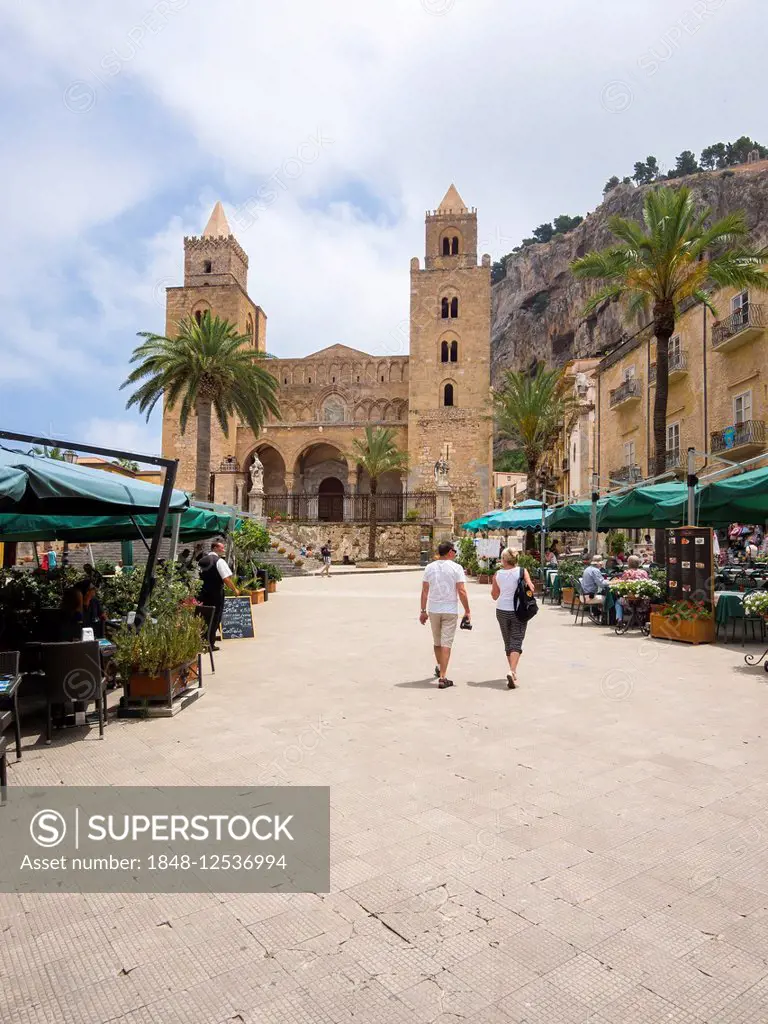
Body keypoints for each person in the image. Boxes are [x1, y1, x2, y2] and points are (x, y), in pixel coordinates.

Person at [419, 541, 470, 689]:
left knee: (437, 642)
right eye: (453, 550)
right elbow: (461, 591)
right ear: (449, 552)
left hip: (434, 609)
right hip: (450, 610)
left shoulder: (429, 567)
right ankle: (443, 676)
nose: (455, 553)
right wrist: (467, 610)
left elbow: (424, 591)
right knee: (446, 643)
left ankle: (439, 666)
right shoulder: (457, 568)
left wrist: (423, 611)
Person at [491, 548, 533, 689]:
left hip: (501, 610)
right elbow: (531, 589)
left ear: (503, 559)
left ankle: (512, 672)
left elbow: (494, 595)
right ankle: (512, 671)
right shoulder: (522, 571)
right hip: (518, 610)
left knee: (508, 641)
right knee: (517, 640)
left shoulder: (497, 574)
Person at [198, 540, 239, 650]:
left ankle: (201, 641)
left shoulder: (201, 560)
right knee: (215, 617)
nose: (223, 549)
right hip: (216, 593)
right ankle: (210, 643)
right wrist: (234, 589)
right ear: (215, 548)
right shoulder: (219, 561)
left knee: (203, 616)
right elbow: (226, 578)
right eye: (221, 547)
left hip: (202, 592)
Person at [613, 554, 649, 622]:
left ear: (629, 563)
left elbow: (621, 584)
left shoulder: (627, 573)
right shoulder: (644, 572)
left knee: (618, 602)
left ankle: (619, 620)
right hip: (642, 601)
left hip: (630, 601)